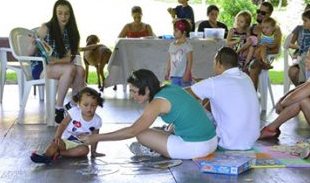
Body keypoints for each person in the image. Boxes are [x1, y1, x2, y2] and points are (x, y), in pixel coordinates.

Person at [79, 69, 218, 160]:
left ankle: (154, 150)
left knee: (141, 134)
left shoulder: (157, 103)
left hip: (197, 148)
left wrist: (96, 138)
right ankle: (161, 143)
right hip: (212, 141)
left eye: (134, 91)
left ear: (146, 89)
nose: (132, 95)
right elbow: (185, 111)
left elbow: (132, 130)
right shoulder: (170, 88)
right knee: (162, 128)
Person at [187, 47, 260, 150]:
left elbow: (183, 94)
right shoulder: (245, 77)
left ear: (219, 64)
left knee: (190, 106)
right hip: (250, 141)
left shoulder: (215, 82)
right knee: (211, 98)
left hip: (227, 143)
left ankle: (173, 131)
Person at [29, 0, 86, 124]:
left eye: (66, 13)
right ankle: (59, 107)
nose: (63, 16)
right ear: (55, 14)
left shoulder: (71, 32)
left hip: (57, 65)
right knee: (70, 68)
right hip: (41, 67)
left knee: (81, 70)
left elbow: (67, 58)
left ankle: (72, 104)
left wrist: (56, 61)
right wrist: (33, 44)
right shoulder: (46, 28)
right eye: (60, 13)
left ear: (71, 15)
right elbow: (29, 53)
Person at [30, 87, 105, 164]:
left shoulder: (97, 120)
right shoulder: (74, 112)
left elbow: (95, 137)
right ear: (79, 103)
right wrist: (57, 137)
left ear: (97, 105)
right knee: (55, 143)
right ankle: (46, 156)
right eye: (85, 105)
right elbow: (63, 124)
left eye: (93, 105)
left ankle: (59, 153)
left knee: (85, 150)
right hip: (65, 141)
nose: (89, 108)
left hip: (80, 145)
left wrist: (93, 152)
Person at [248, 2, 282, 87]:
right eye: (258, 11)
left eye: (263, 13)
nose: (259, 14)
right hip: (248, 55)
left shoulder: (274, 29)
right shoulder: (251, 27)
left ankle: (253, 96)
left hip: (261, 58)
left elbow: (276, 49)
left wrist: (262, 52)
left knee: (254, 66)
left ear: (269, 14)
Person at [165, 19, 193, 87]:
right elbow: (170, 60)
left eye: (176, 31)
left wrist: (187, 74)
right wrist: (167, 72)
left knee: (185, 94)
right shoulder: (172, 45)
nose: (174, 33)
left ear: (184, 32)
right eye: (174, 30)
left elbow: (190, 62)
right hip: (173, 75)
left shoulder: (187, 45)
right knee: (174, 93)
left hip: (183, 76)